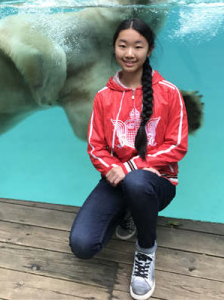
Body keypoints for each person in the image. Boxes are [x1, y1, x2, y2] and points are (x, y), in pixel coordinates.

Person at [69, 18, 188, 300]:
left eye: (138, 46)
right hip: (116, 181)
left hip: (156, 183)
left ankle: (146, 249)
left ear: (149, 49)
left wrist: (131, 167)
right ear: (114, 48)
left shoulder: (169, 93)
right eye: (123, 45)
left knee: (136, 182)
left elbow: (177, 145)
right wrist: (114, 169)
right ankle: (128, 214)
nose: (130, 53)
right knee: (82, 245)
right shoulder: (102, 97)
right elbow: (95, 146)